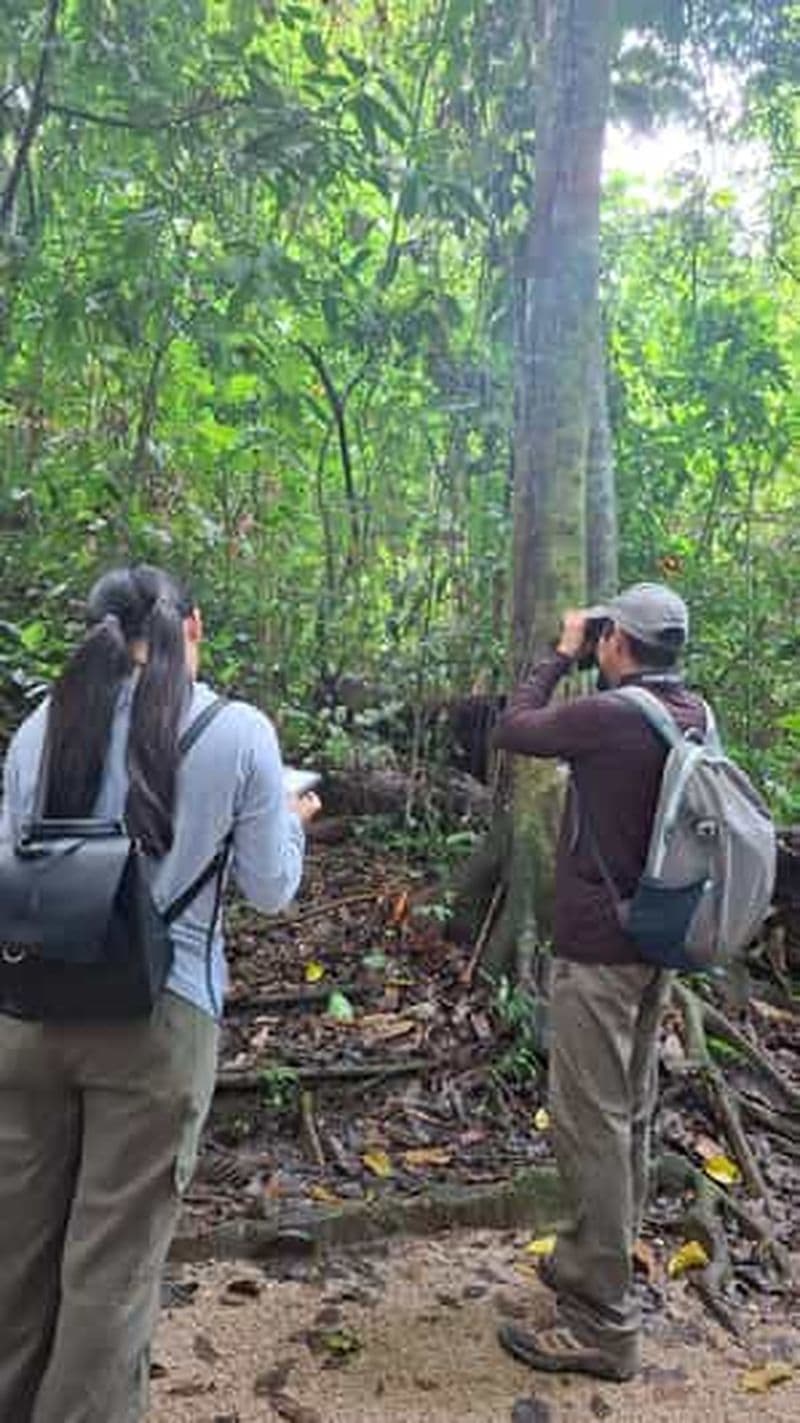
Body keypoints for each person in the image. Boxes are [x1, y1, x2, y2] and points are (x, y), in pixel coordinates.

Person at [0, 564, 320, 1423]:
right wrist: (291, 821)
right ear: (193, 628)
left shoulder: (40, 726)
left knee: (15, 1251)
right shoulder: (237, 730)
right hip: (158, 1018)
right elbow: (267, 889)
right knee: (110, 1266)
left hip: (28, 1016)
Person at [492, 583, 707, 1383]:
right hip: (657, 941)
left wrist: (558, 651)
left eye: (604, 633)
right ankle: (598, 1260)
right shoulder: (693, 714)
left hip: (599, 955)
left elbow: (515, 727)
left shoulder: (610, 717)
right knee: (631, 1111)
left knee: (591, 1122)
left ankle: (605, 1323)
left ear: (619, 642)